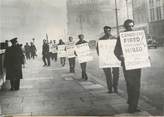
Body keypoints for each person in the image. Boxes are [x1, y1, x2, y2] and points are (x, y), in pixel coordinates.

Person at [114, 19, 141, 113]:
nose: (131, 28)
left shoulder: (138, 35)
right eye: (129, 26)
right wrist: (120, 56)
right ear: (125, 27)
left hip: (137, 64)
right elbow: (116, 51)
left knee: (137, 85)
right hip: (127, 64)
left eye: (132, 26)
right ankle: (131, 105)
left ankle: (134, 105)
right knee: (130, 84)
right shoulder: (121, 37)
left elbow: (142, 48)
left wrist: (145, 56)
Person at [96, 26, 119, 93]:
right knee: (108, 74)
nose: (107, 32)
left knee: (116, 73)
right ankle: (110, 88)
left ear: (110, 31)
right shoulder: (101, 40)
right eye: (106, 31)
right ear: (104, 31)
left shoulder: (115, 39)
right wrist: (101, 56)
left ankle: (115, 87)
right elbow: (98, 49)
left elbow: (118, 48)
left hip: (114, 59)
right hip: (105, 59)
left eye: (108, 30)